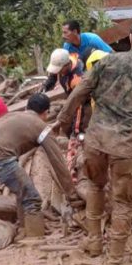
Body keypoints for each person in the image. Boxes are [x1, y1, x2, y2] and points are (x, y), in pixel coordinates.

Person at [57, 17, 132, 264]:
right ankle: (115, 255)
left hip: (95, 141)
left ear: (131, 38)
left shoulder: (107, 61)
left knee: (94, 188)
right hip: (126, 147)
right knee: (124, 201)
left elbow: (79, 92)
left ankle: (93, 244)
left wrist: (63, 120)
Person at [0, 93, 76, 238]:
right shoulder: (42, 127)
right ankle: (35, 239)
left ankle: (24, 228)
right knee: (32, 198)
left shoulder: (12, 116)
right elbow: (58, 162)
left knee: (22, 190)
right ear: (46, 112)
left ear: (28, 107)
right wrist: (71, 194)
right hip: (1, 160)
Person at [44, 48, 90, 199]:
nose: (58, 72)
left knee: (77, 135)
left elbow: (78, 107)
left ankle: (75, 177)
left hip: (83, 104)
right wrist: (47, 85)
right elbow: (52, 75)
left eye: (59, 70)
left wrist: (76, 130)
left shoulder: (77, 78)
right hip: (71, 100)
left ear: (66, 66)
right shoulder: (66, 60)